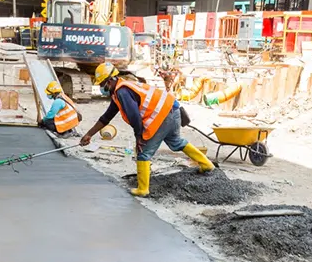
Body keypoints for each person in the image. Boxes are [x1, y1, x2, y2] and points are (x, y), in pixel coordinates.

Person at [78, 62, 214, 197]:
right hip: (173, 110)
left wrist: (139, 137)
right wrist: (89, 134)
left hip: (163, 116)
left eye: (103, 84)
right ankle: (206, 164)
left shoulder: (122, 92)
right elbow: (106, 117)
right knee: (176, 142)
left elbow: (134, 117)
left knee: (143, 152)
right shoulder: (120, 90)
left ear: (110, 80)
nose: (102, 87)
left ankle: (143, 189)